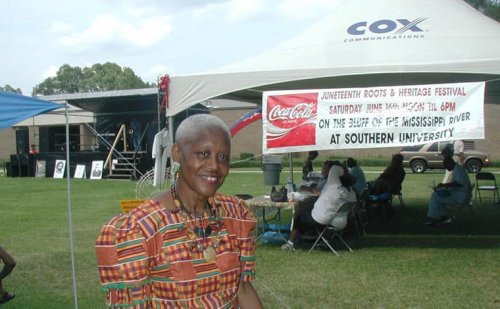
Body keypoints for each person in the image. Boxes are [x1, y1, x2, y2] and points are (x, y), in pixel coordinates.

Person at [95, 114, 263, 308]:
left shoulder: (234, 215)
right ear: (177, 153)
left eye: (222, 157)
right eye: (203, 154)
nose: (215, 166)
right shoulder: (143, 229)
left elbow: (242, 288)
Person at [281, 165, 357, 251]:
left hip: (321, 219)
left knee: (299, 219)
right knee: (321, 217)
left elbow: (334, 168)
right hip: (339, 222)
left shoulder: (335, 186)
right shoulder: (352, 195)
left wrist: (344, 173)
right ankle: (324, 242)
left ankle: (289, 244)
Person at [424, 156, 472, 226]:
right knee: (440, 195)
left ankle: (434, 219)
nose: (446, 167)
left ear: (450, 163)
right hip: (461, 194)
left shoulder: (458, 170)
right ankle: (442, 217)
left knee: (435, 196)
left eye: (446, 166)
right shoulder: (458, 168)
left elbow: (458, 183)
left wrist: (444, 185)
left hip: (460, 196)